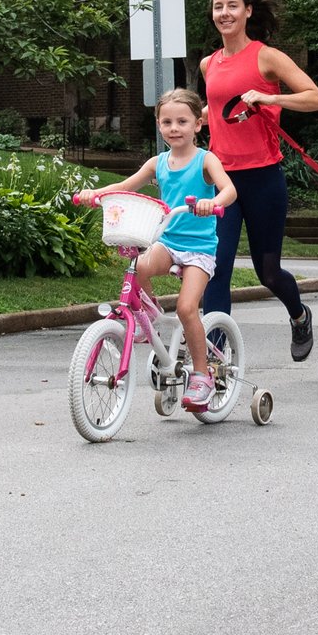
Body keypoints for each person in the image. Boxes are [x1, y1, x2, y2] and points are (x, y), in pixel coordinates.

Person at [80, 88, 237, 412]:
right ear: (158, 124)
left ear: (197, 124)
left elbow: (230, 190)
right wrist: (96, 194)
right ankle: (147, 312)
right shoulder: (158, 163)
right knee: (137, 266)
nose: (174, 127)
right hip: (168, 240)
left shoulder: (205, 160)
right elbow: (125, 186)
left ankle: (202, 374)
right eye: (167, 121)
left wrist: (213, 202)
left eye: (182, 121)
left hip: (199, 249)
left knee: (186, 308)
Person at [199, 0, 318, 362]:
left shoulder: (266, 57)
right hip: (223, 179)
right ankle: (214, 359)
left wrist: (269, 96)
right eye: (218, 6)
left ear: (247, 11)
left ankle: (299, 314)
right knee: (216, 268)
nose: (224, 13)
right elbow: (217, 110)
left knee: (268, 272)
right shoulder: (209, 64)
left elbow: (316, 99)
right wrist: (197, 119)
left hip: (263, 179)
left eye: (232, 6)